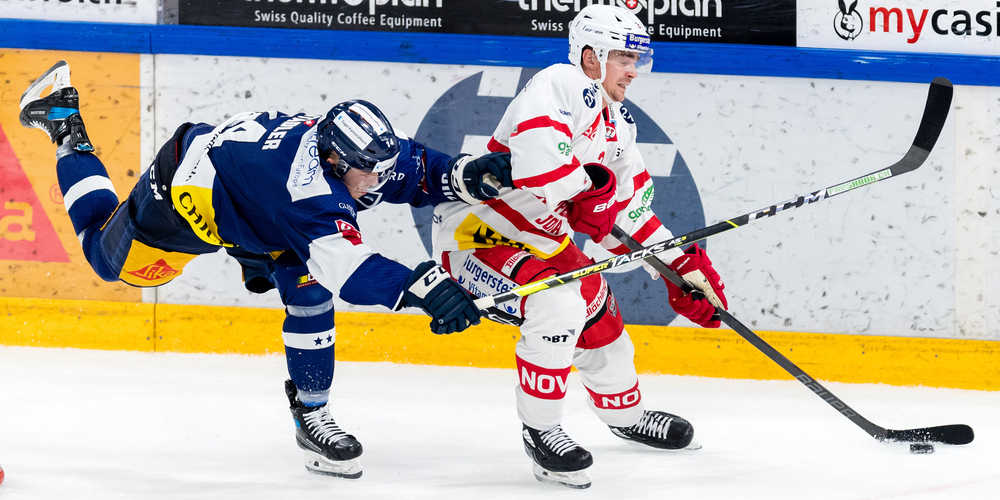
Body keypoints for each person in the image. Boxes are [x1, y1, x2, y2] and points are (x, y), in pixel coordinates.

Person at [18, 61, 513, 479]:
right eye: (370, 172)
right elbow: (354, 273)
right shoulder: (307, 196)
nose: (380, 180)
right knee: (106, 262)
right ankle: (64, 124)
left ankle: (312, 416)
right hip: (185, 199)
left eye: (383, 167)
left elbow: (414, 170)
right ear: (335, 160)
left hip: (261, 210)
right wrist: (425, 289)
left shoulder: (361, 151)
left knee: (311, 298)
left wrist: (463, 175)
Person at [431, 5, 728, 489]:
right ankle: (542, 431)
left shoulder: (619, 127)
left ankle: (625, 414)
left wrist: (682, 268)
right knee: (558, 304)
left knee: (596, 305)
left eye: (637, 59)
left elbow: (628, 217)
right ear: (591, 56)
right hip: (477, 235)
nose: (633, 70)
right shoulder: (557, 84)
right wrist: (590, 189)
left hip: (541, 238)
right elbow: (539, 173)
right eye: (623, 58)